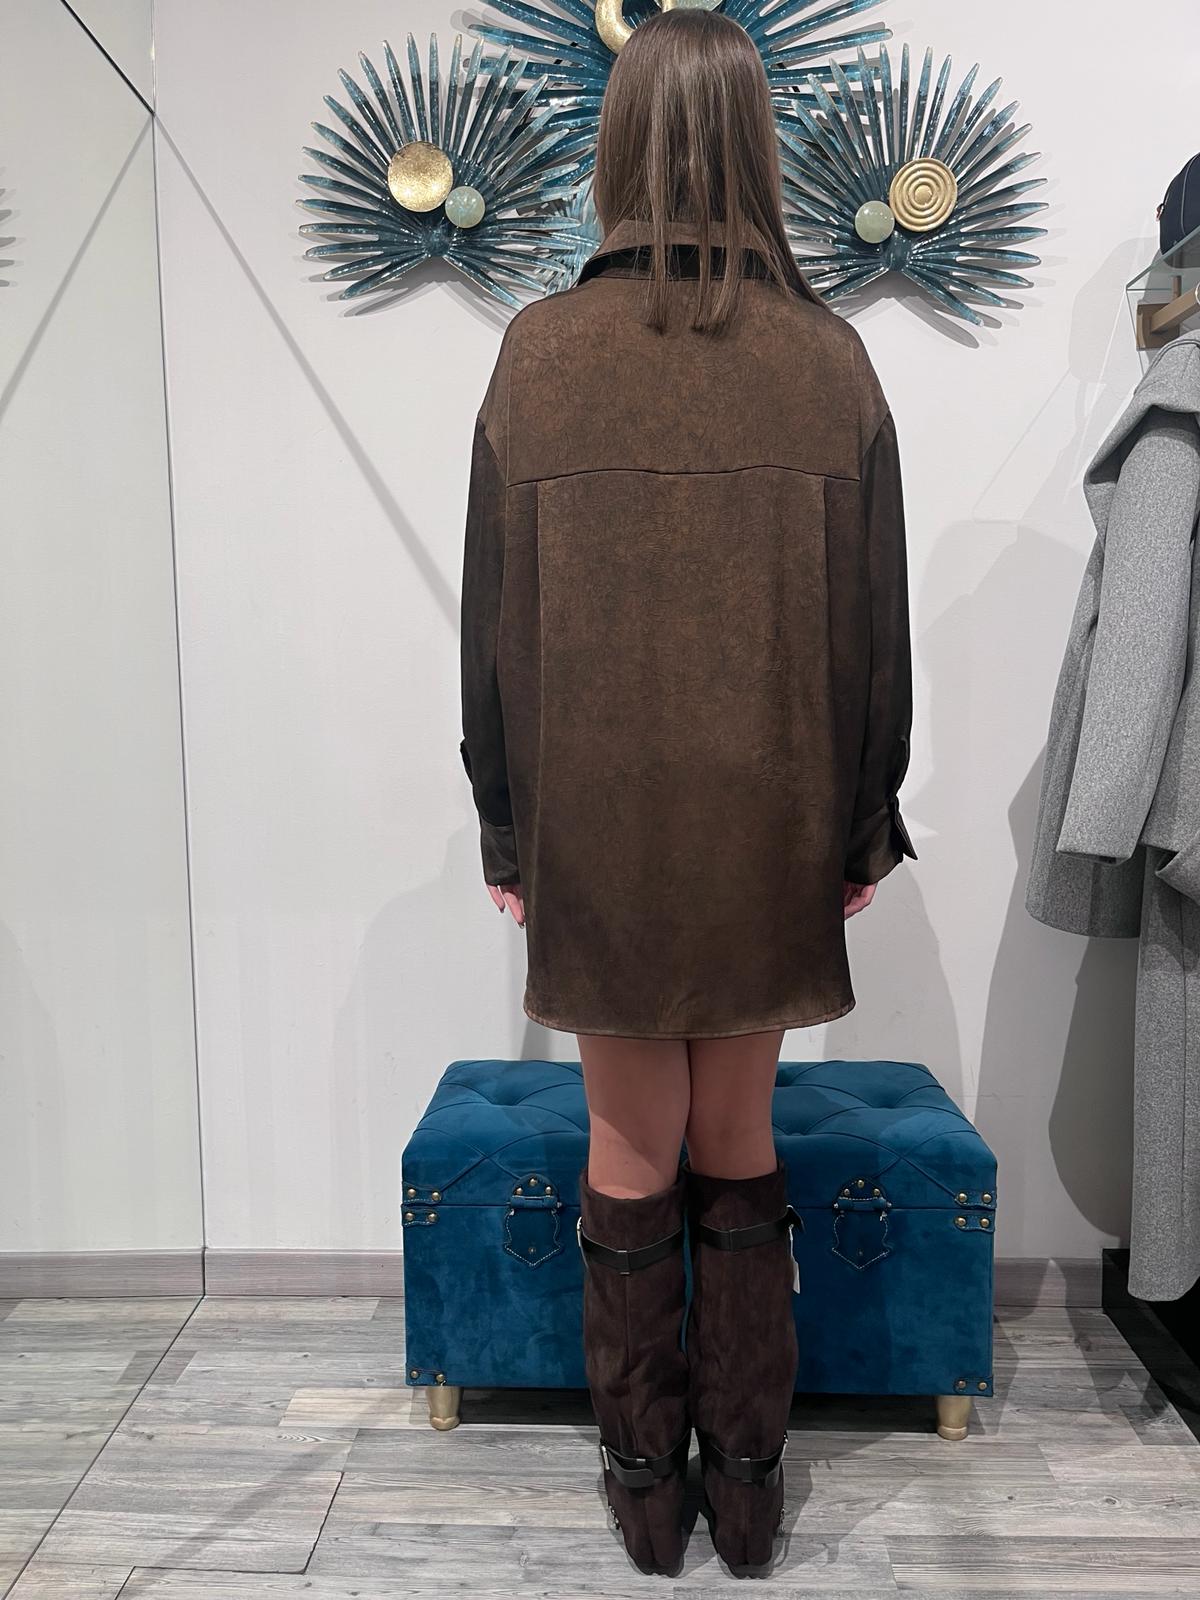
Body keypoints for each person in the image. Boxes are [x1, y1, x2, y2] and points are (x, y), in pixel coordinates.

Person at [458, 7, 915, 1579]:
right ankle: (753, 1490)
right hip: (769, 819)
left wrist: (505, 821)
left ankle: (647, 1489)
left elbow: (490, 626)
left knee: (627, 1145)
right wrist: (864, 822)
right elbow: (877, 633)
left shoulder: (537, 357)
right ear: (755, 149)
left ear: (619, 144)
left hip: (598, 824)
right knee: (739, 1140)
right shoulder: (831, 363)